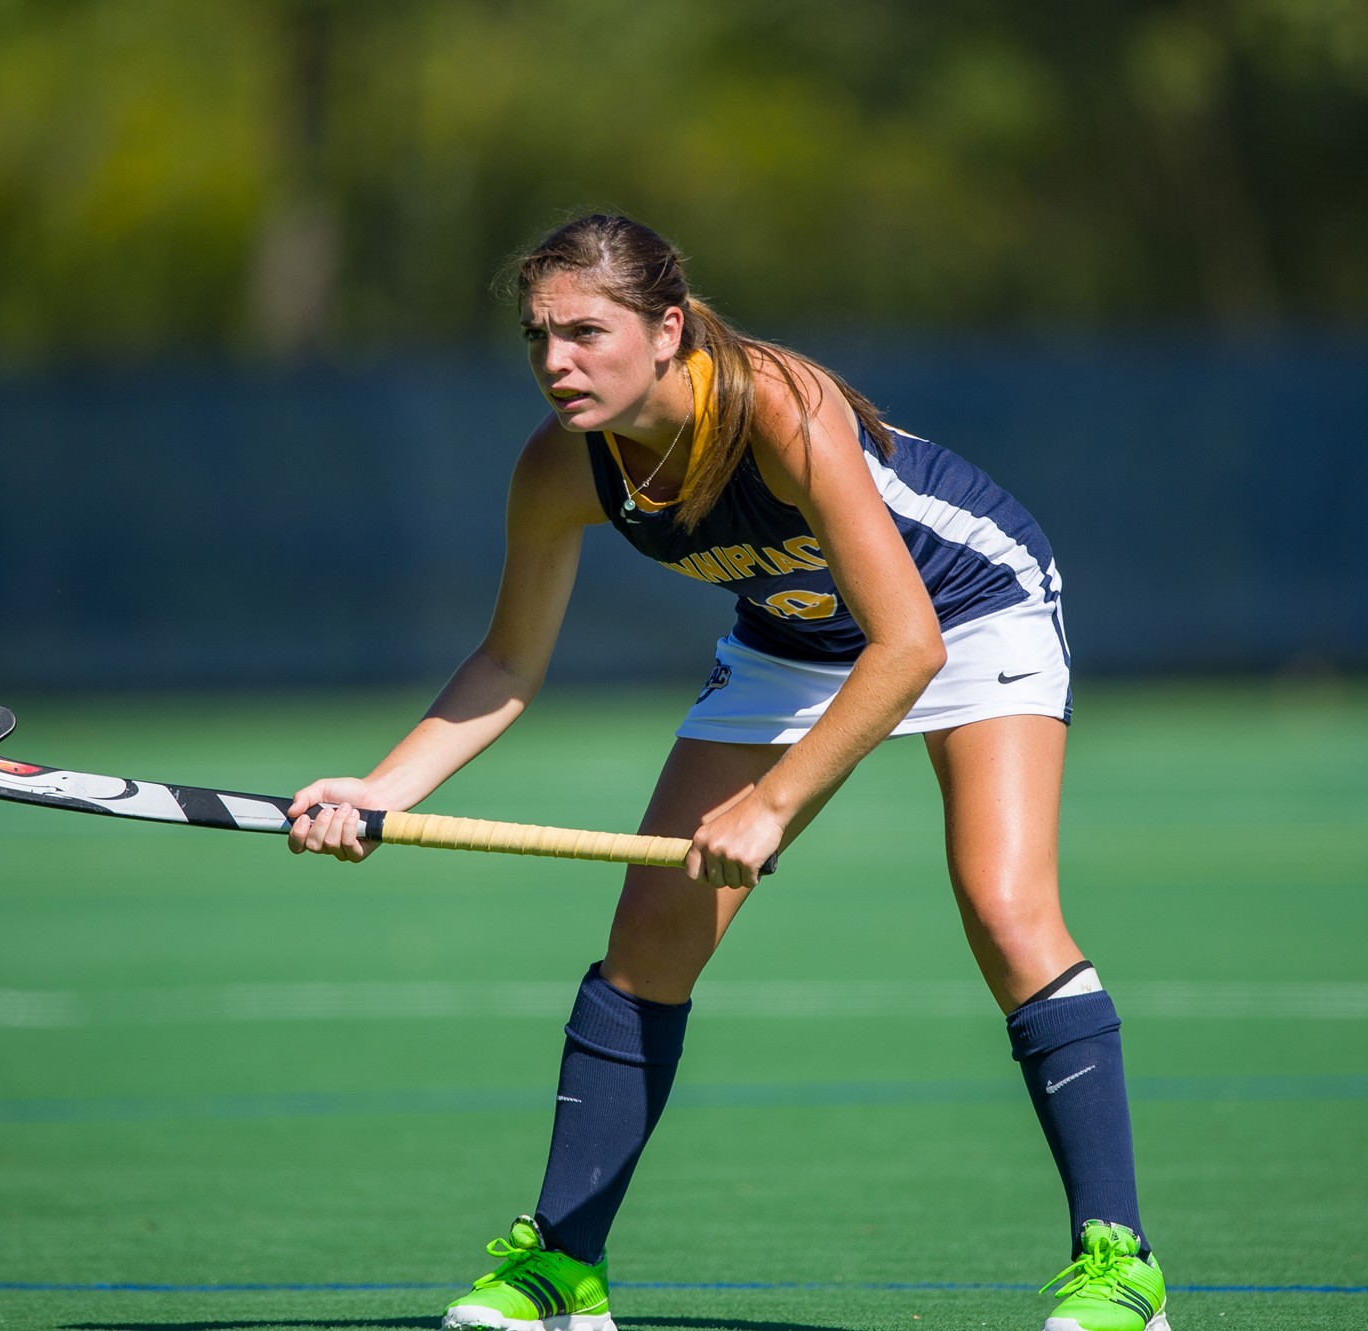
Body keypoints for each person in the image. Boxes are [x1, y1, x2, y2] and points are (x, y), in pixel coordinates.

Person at [287, 214, 1170, 1331]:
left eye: (584, 332)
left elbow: (908, 646)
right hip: (790, 637)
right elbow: (507, 660)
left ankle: (1120, 1268)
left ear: (664, 329)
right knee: (651, 931)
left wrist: (772, 801)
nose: (556, 362)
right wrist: (379, 788)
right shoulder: (564, 464)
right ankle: (563, 1268)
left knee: (1005, 909)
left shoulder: (778, 413)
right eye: (536, 337)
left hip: (964, 608)